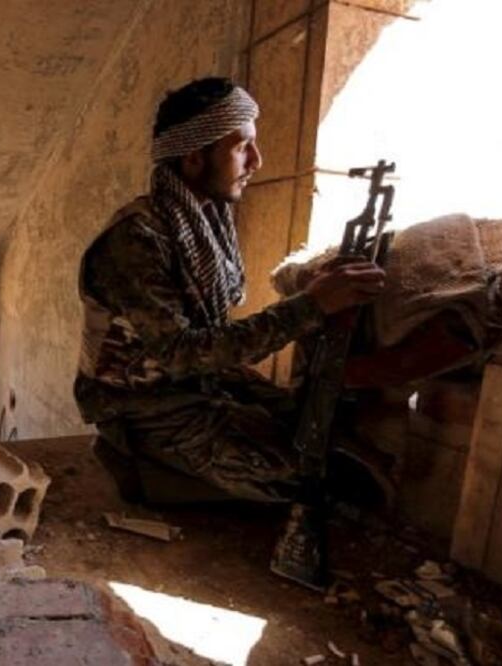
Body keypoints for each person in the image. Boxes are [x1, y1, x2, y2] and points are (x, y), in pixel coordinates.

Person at [74, 77, 386, 503]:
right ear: (194, 158)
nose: (256, 161)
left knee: (315, 427)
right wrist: (310, 306)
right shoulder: (136, 240)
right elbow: (182, 351)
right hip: (141, 404)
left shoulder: (205, 223)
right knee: (306, 480)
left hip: (196, 380)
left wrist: (313, 296)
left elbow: (208, 336)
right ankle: (138, 467)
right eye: (241, 148)